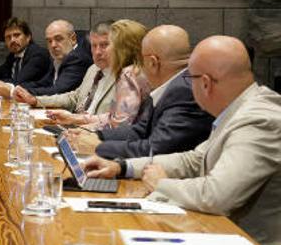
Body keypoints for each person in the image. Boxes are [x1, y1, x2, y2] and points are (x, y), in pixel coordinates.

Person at [83, 35, 281, 245]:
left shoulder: (258, 120)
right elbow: (193, 160)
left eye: (191, 79)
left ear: (204, 83)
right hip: (229, 237)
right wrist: (122, 167)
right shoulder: (239, 110)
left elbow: (217, 195)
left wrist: (162, 184)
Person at [82, 25, 213, 159]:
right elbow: (140, 130)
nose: (139, 66)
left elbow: (156, 148)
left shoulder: (183, 91)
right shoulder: (172, 85)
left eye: (141, 59)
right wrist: (97, 136)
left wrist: (98, 146)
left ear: (152, 62)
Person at [19, 20, 151, 130]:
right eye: (94, 46)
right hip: (79, 127)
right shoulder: (93, 69)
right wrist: (36, 101)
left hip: (94, 135)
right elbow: (76, 97)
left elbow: (120, 123)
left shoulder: (129, 75)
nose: (98, 52)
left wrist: (77, 122)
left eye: (105, 45)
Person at [10, 20, 92, 98]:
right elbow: (45, 83)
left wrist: (13, 91)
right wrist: (15, 87)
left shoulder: (78, 59)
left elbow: (58, 91)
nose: (53, 45)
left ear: (73, 39)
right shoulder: (59, 58)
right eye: (49, 41)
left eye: (58, 39)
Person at [0, 17, 51, 96]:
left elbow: (19, 82)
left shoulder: (38, 54)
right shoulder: (13, 56)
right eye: (8, 37)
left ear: (28, 37)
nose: (12, 40)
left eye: (16, 35)